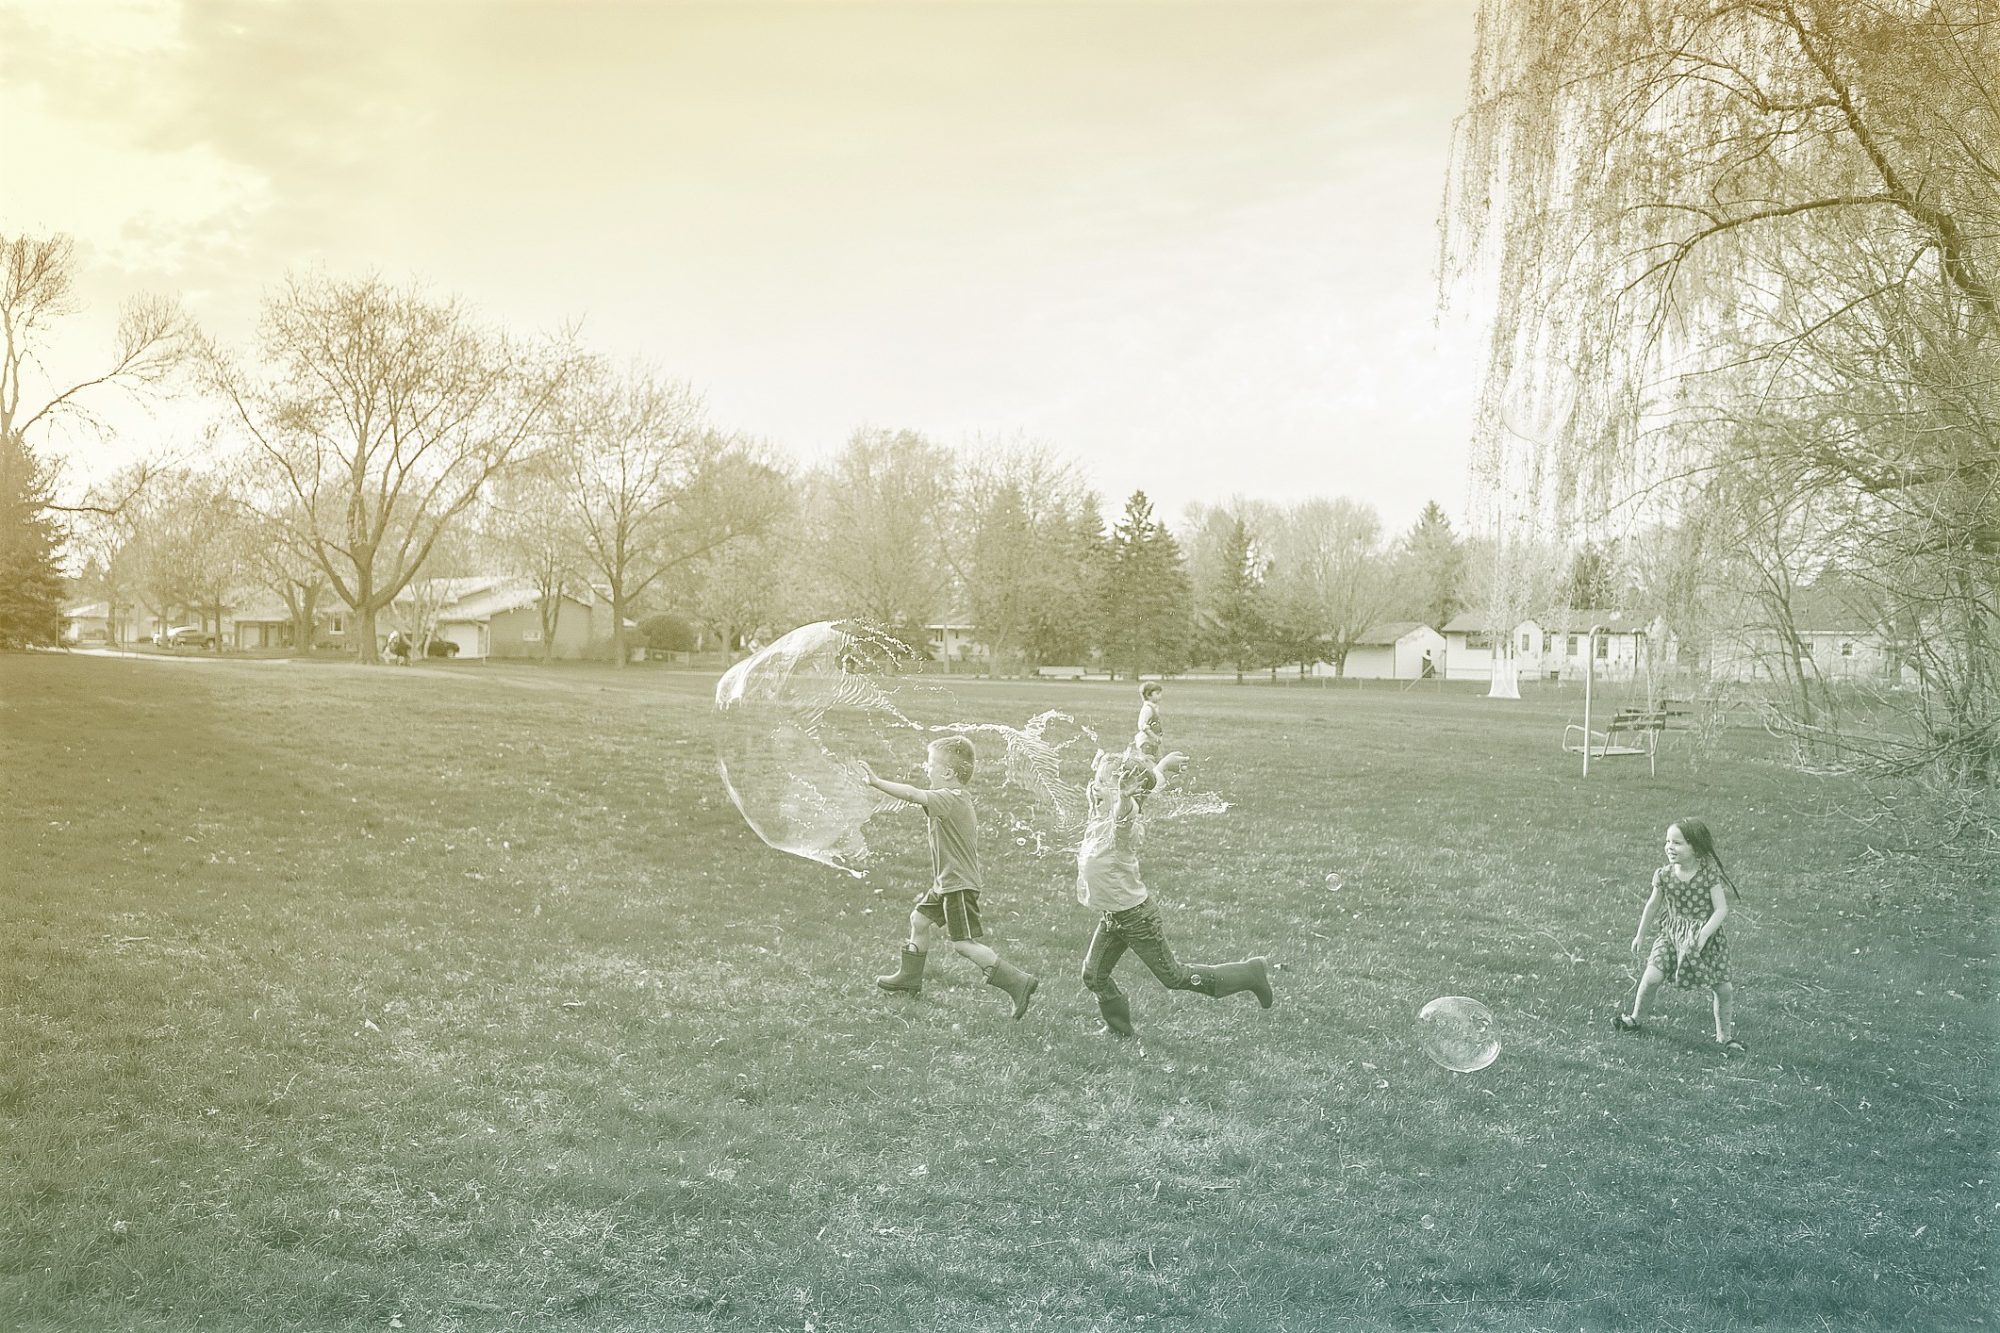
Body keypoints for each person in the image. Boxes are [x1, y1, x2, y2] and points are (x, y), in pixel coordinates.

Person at [1076, 747, 1272, 1037]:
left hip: (1136, 918)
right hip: (1113, 916)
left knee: (1174, 976)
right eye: (1096, 780)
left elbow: (1125, 814)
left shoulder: (1122, 827)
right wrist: (1162, 767)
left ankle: (1250, 973)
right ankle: (1119, 1031)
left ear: (1126, 794)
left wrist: (1126, 798)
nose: (1094, 788)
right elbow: (1146, 785)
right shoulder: (1099, 818)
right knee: (1093, 975)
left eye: (1104, 784)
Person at [861, 736, 1040, 1019]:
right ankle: (909, 979)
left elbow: (911, 794)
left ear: (948, 773)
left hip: (958, 885)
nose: (926, 768)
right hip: (945, 882)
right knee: (919, 920)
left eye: (930, 764)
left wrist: (876, 781)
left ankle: (1018, 982)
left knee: (963, 944)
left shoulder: (948, 798)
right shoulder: (952, 798)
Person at [1614, 818, 1746, 1052]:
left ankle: (1724, 1037)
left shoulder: (1708, 873)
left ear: (1694, 847)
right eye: (1667, 842)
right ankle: (1635, 1019)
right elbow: (1652, 905)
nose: (1669, 847)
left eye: (1677, 843)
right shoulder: (1664, 875)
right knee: (1651, 977)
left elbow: (1721, 909)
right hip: (1671, 936)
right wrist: (1640, 935)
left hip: (1705, 939)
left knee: (1723, 989)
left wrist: (1704, 935)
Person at [1134, 681, 1166, 760]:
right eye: (1157, 694)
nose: (1160, 696)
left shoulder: (1153, 707)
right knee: (1147, 762)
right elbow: (1142, 726)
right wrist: (1154, 737)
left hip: (1152, 741)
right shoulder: (1147, 709)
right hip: (1146, 741)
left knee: (1157, 760)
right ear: (1148, 695)